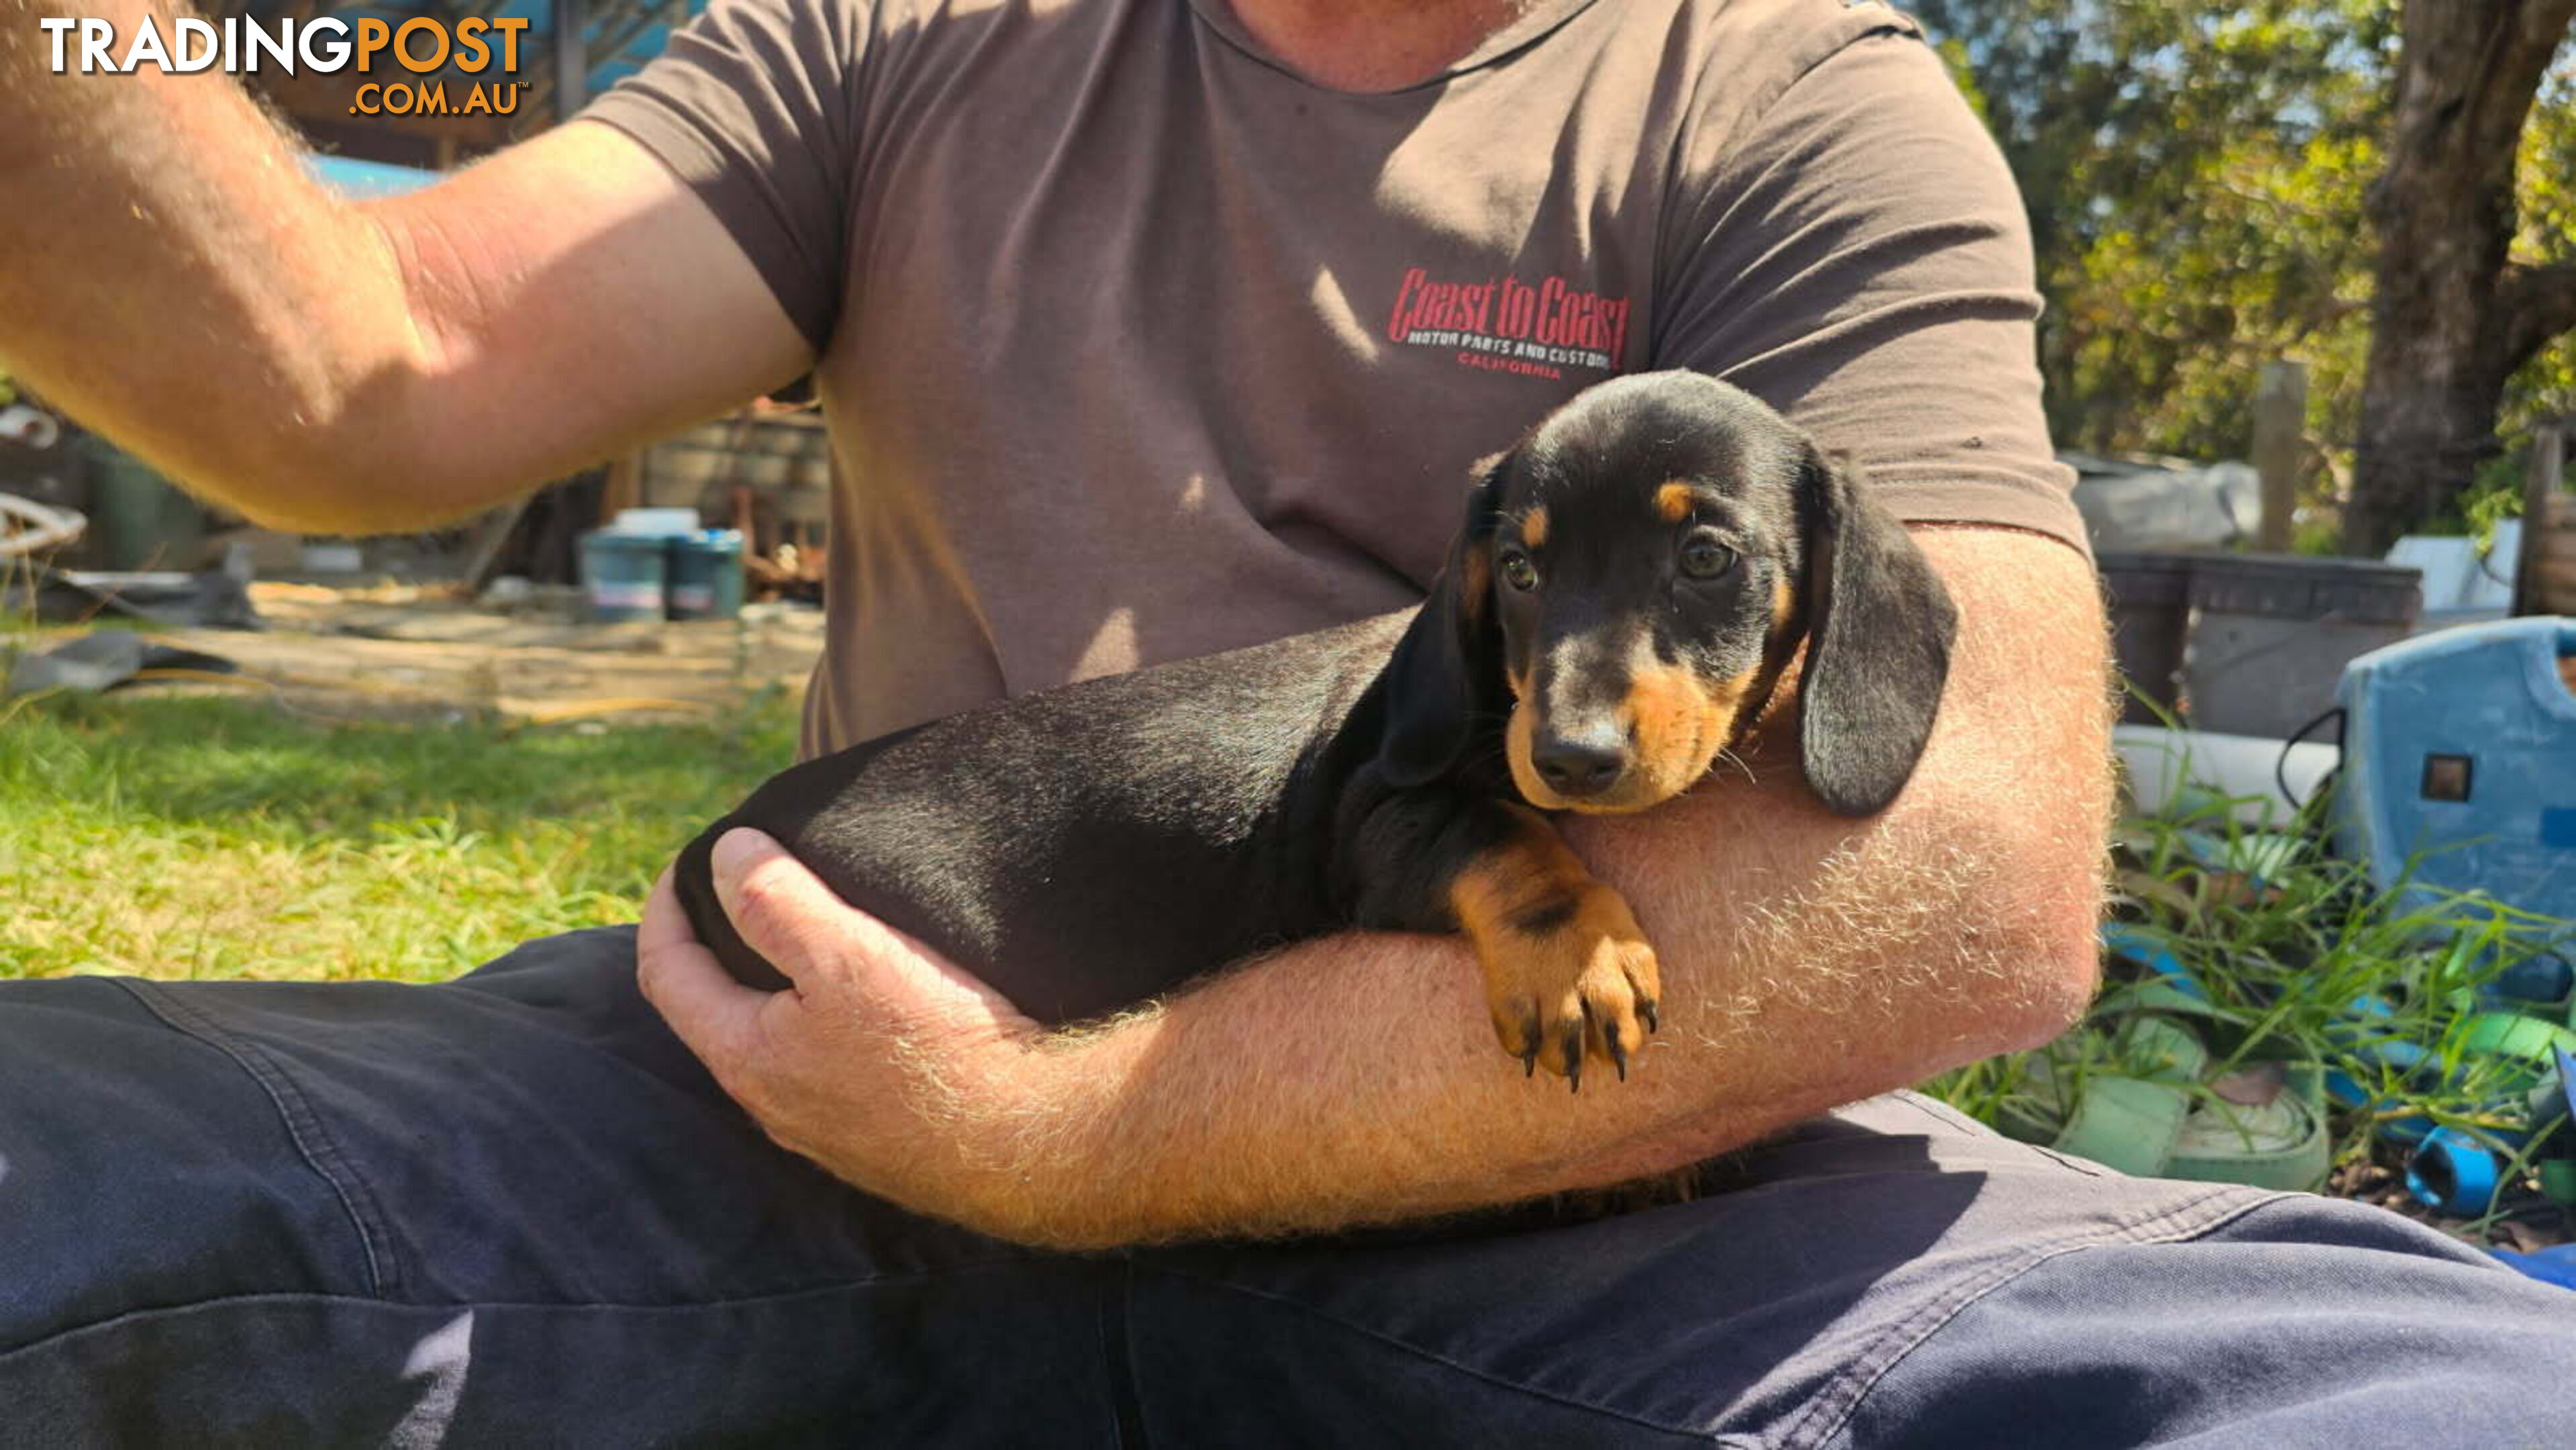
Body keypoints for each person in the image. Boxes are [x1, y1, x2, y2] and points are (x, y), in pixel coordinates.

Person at [2, 0, 2570, 1441]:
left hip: (1615, 1183)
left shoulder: (1788, 92)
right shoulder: (890, 35)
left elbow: (1979, 862)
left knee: (2437, 1417)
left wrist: (1069, 1138)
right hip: (800, 1079)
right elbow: (368, 360)